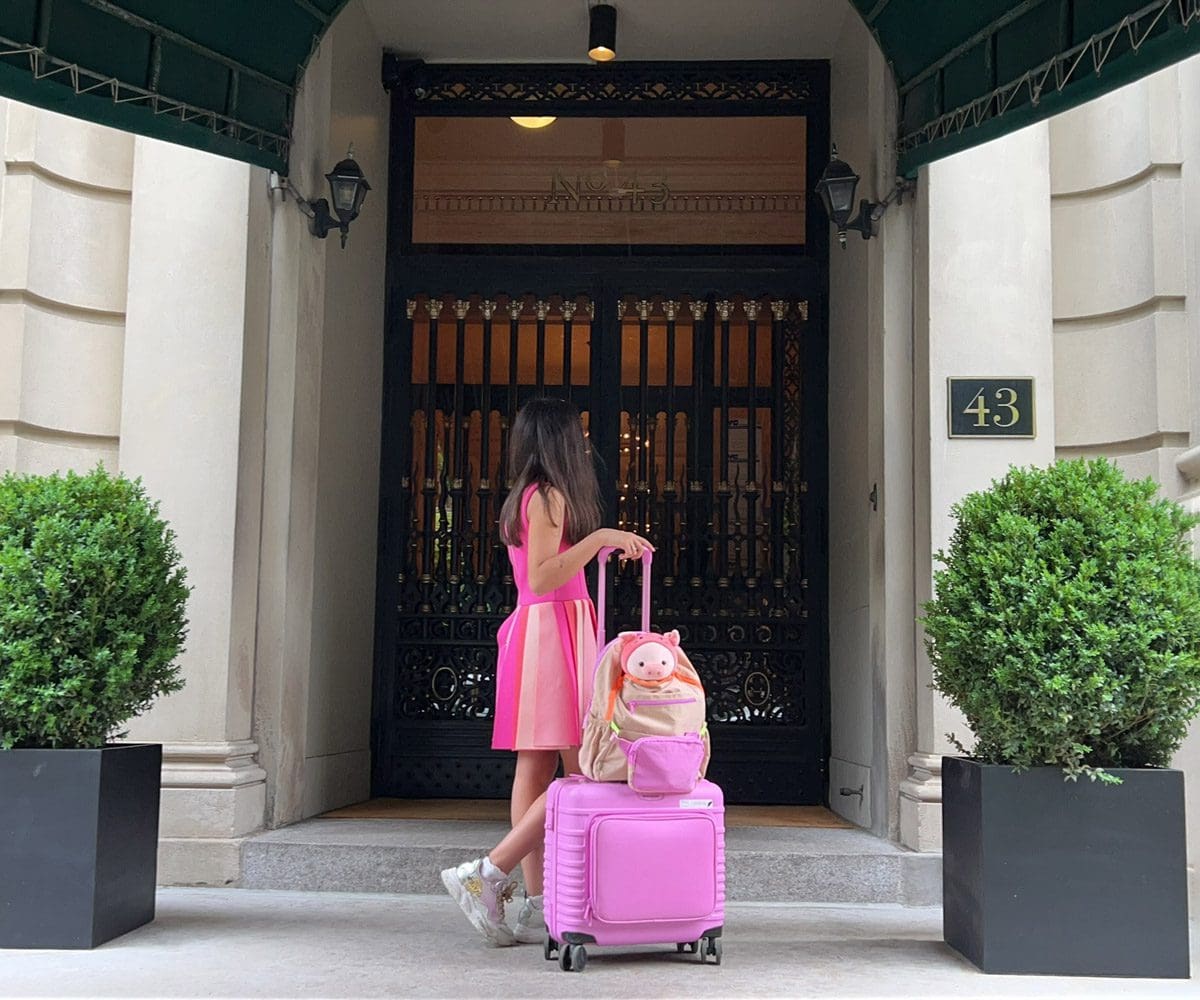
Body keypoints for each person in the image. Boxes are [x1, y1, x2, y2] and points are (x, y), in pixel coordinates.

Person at [440, 397, 653, 947]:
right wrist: (601, 537)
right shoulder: (548, 496)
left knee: (537, 771)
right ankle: (491, 872)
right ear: (559, 441)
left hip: (545, 632)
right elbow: (541, 576)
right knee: (581, 767)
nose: (584, 442)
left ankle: (537, 903)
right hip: (551, 632)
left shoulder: (526, 496)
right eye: (576, 434)